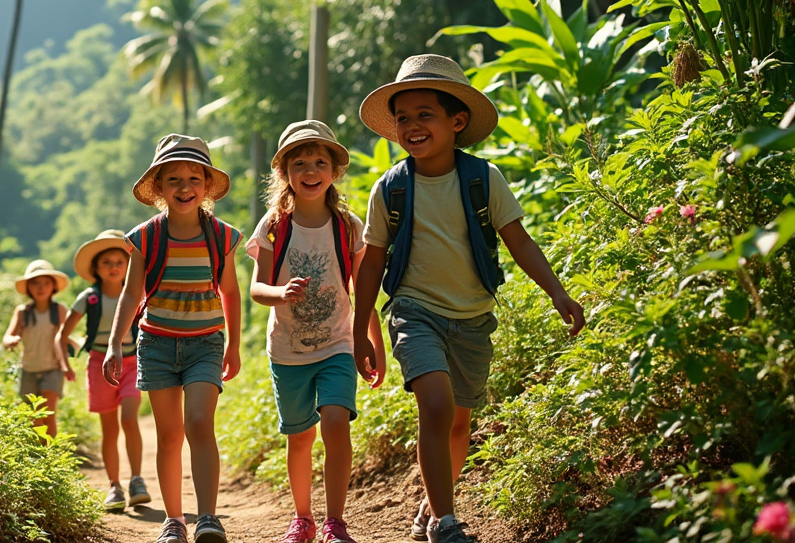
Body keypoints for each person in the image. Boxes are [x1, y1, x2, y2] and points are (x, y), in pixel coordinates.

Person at [351, 55, 586, 543]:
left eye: (425, 114)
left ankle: (430, 505)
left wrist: (557, 291)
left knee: (458, 426)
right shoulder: (390, 188)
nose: (412, 126)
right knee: (435, 408)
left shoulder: (483, 179)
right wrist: (360, 331)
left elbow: (518, 240)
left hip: (474, 319)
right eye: (403, 118)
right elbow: (371, 262)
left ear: (457, 121)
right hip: (414, 312)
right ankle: (446, 522)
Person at [247, 120, 386, 543]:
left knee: (335, 422)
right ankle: (302, 518)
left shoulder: (348, 226)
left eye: (320, 161)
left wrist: (372, 343)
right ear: (285, 173)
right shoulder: (274, 225)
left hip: (338, 343)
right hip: (287, 350)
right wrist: (279, 292)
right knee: (300, 435)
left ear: (334, 171)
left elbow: (362, 290)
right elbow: (256, 287)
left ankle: (335, 522)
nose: (311, 170)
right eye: (300, 162)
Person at [103, 134, 243, 543]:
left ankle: (208, 518)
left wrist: (233, 345)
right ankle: (174, 521)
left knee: (199, 422)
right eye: (174, 180)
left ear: (206, 186)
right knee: (169, 435)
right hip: (157, 344)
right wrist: (114, 344)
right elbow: (132, 293)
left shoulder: (222, 236)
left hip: (205, 344)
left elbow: (230, 292)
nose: (185, 188)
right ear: (159, 189)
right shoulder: (144, 238)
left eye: (194, 178)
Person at [56, 230, 151, 512]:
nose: (113, 267)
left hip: (132, 362)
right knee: (109, 430)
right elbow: (62, 335)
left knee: (130, 418)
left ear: (130, 265)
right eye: (106, 262)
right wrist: (66, 363)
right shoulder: (90, 298)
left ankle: (136, 480)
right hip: (99, 364)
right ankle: (114, 486)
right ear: (96, 268)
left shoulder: (138, 295)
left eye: (119, 261)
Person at [2, 259, 71, 439]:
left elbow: (63, 340)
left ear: (53, 286)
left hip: (52, 369)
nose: (41, 288)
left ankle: (50, 456)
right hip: (29, 370)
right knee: (34, 417)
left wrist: (66, 367)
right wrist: (12, 339)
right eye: (36, 283)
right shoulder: (22, 312)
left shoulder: (59, 310)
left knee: (47, 413)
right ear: (29, 288)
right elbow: (7, 335)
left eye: (46, 283)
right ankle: (40, 456)